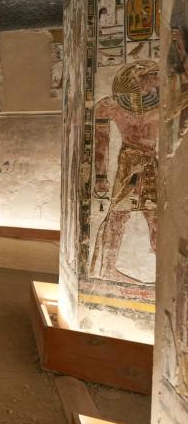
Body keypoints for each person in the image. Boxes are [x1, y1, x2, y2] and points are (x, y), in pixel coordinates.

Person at [88, 60, 159, 281]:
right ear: (137, 79)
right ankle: (108, 269)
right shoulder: (110, 105)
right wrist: (101, 176)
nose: (158, 78)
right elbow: (101, 143)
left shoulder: (163, 104)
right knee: (118, 216)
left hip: (152, 166)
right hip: (128, 166)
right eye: (153, 74)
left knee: (156, 218)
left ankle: (165, 272)